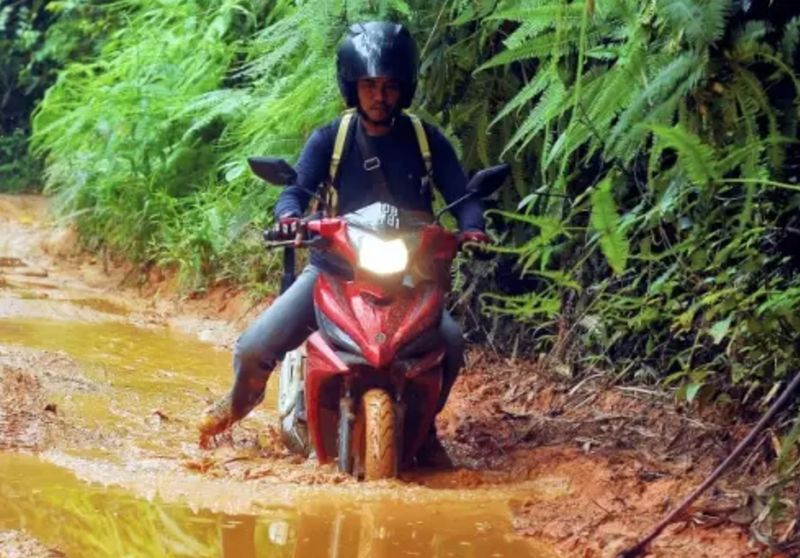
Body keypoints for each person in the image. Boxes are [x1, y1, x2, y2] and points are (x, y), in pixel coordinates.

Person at [197, 21, 489, 465]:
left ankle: (425, 429)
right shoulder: (329, 139)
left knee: (449, 344)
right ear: (352, 87)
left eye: (390, 85)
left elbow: (463, 195)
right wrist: (290, 218)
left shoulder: (428, 142)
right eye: (369, 85)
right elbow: (294, 191)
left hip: (409, 277)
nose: (379, 95)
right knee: (254, 345)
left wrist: (472, 226)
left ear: (405, 88)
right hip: (333, 270)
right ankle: (234, 407)